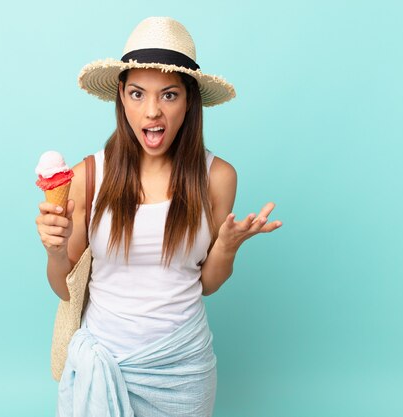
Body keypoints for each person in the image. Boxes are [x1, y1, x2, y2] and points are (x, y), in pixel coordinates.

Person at [35, 17, 282, 417]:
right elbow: (65, 290)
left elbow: (207, 285)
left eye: (168, 95)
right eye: (137, 94)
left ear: (189, 101)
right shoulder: (88, 177)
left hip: (182, 371)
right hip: (105, 364)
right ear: (121, 95)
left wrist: (226, 247)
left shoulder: (217, 177)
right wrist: (55, 250)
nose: (152, 112)